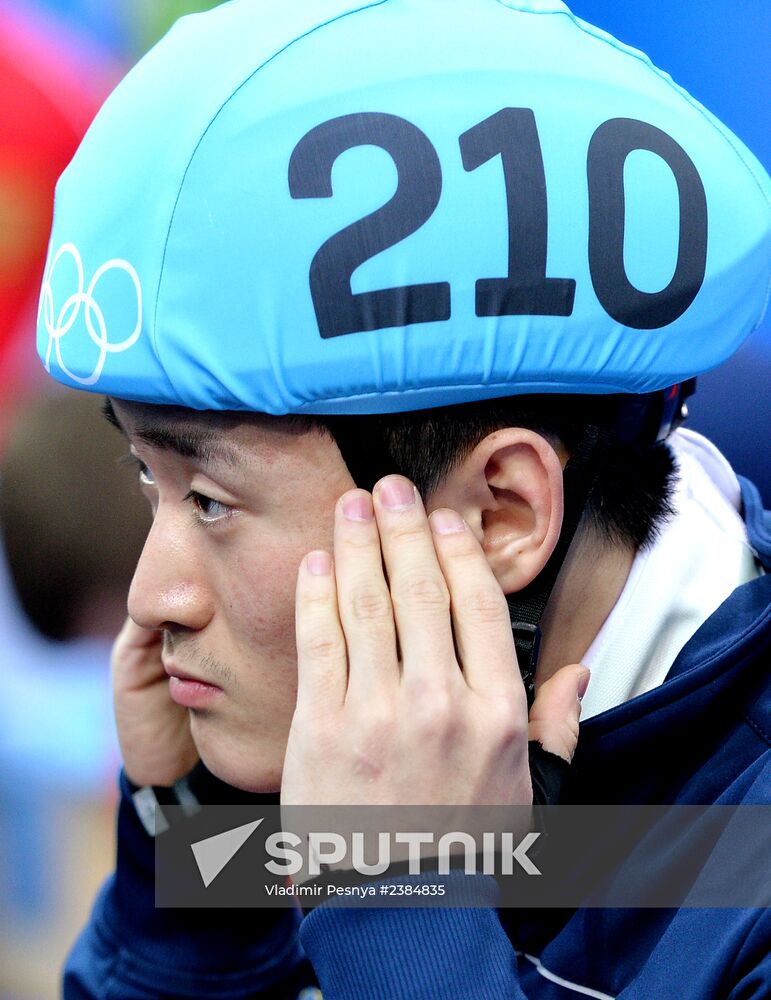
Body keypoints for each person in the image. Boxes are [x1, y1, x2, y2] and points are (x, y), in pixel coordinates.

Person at [36, 0, 770, 997]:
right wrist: (209, 876)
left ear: (500, 515)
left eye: (208, 499)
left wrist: (395, 900)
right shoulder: (314, 766)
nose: (150, 595)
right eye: (143, 477)